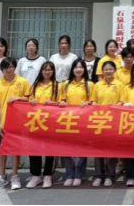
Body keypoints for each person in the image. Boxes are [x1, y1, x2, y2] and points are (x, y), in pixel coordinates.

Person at [0, 57, 30, 191]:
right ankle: (2, 177)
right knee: (1, 151)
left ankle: (15, 176)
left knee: (15, 151)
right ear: (2, 69)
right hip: (1, 124)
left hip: (17, 123)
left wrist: (18, 98)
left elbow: (29, 99)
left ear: (15, 67)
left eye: (11, 66)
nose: (9, 69)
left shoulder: (23, 82)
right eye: (6, 67)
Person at [59, 59, 94, 187]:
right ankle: (69, 175)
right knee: (67, 149)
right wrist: (62, 102)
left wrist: (87, 103)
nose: (78, 70)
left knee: (80, 150)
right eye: (76, 67)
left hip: (82, 121)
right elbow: (61, 99)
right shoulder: (66, 84)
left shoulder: (89, 84)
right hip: (68, 120)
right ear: (72, 69)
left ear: (85, 69)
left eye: (81, 67)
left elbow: (93, 101)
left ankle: (79, 175)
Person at [26, 61, 60, 189]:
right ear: (41, 71)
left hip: (51, 121)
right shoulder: (34, 86)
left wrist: (53, 103)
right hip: (36, 121)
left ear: (53, 71)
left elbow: (62, 103)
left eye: (50, 69)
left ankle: (48, 175)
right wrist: (32, 102)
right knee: (34, 148)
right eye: (45, 69)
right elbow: (28, 102)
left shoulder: (58, 86)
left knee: (50, 149)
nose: (47, 72)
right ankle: (36, 175)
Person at [91, 61, 124, 187]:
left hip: (113, 122)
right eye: (106, 69)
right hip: (99, 121)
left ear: (114, 70)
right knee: (98, 150)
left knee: (111, 150)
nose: (108, 71)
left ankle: (110, 175)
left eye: (110, 69)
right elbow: (93, 101)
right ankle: (98, 175)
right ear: (102, 71)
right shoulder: (97, 85)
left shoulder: (119, 85)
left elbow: (122, 101)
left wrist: (115, 106)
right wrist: (96, 105)